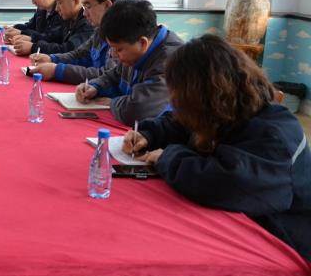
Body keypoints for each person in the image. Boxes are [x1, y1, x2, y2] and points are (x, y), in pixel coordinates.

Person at [123, 34, 311, 261]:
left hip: (283, 244)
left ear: (203, 96)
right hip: (243, 225)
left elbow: (223, 182)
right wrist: (149, 134)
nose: (174, 102)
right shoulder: (227, 109)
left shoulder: (275, 136)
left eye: (179, 96)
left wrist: (167, 157)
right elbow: (182, 125)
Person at [76, 0, 183, 126]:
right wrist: (95, 87)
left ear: (142, 43)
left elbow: (137, 110)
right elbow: (114, 75)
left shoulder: (171, 61)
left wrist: (113, 103)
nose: (113, 55)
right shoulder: (134, 49)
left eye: (118, 49)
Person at [28, 0, 123, 83]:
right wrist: (52, 58)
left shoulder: (124, 36)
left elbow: (108, 75)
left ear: (107, 6)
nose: (84, 13)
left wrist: (57, 70)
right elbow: (80, 54)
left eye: (88, 6)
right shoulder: (100, 31)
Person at [11, 0, 93, 56]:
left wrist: (34, 47)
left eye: (60, 2)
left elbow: (68, 49)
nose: (56, 9)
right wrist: (31, 39)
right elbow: (51, 37)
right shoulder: (69, 20)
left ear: (75, 1)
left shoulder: (87, 25)